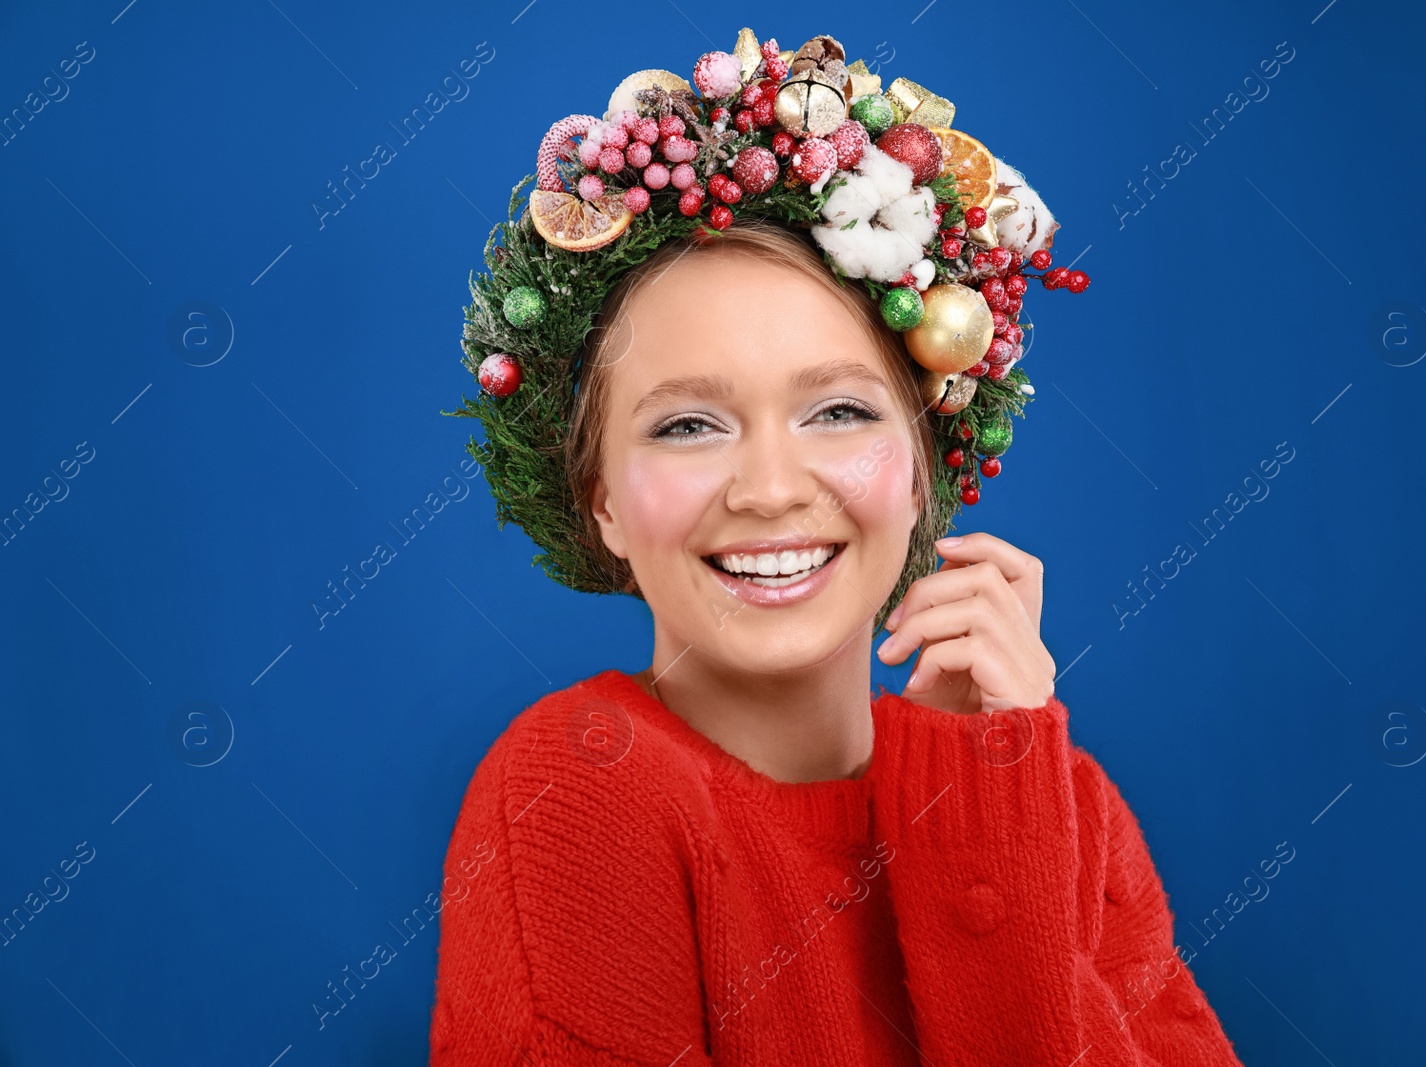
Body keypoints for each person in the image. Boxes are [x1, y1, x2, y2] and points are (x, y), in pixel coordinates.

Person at [433, 28, 1245, 1066]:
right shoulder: (580, 781)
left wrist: (982, 807)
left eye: (839, 411)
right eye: (687, 424)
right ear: (598, 500)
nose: (772, 488)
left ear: (925, 466)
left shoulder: (1066, 804)